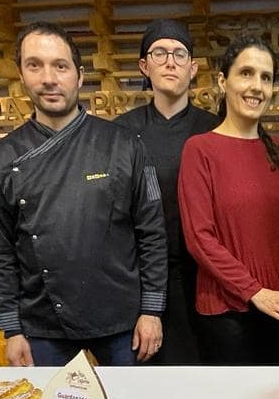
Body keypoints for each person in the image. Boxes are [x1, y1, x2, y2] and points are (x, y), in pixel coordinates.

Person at [0, 22, 167, 366]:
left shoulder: (125, 145)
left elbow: (152, 233)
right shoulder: (2, 158)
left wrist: (152, 310)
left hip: (122, 320)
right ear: (21, 73)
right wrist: (11, 328)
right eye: (35, 65)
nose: (49, 78)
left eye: (60, 66)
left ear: (79, 76)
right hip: (42, 325)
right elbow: (0, 250)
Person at [177, 34, 279, 365]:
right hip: (227, 312)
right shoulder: (200, 149)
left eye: (266, 77)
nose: (257, 86)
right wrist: (255, 291)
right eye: (246, 73)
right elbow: (199, 239)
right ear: (223, 81)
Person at [115, 19, 219, 365]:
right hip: (144, 282)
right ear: (144, 66)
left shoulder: (215, 128)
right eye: (159, 53)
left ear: (194, 68)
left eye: (179, 53)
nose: (170, 61)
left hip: (208, 276)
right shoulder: (122, 134)